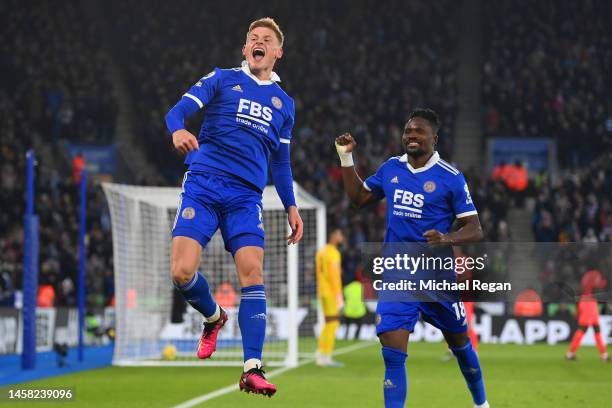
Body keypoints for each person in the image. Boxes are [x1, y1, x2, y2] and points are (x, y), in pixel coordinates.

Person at [164, 17, 303, 397]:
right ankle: (214, 317)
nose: (259, 43)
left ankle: (252, 367)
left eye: (267, 40)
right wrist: (178, 129)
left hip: (246, 197)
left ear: (278, 52)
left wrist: (291, 205)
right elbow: (177, 111)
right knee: (181, 272)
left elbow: (281, 162)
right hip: (204, 185)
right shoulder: (222, 79)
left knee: (253, 274)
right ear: (245, 49)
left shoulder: (284, 104)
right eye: (252, 38)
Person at [335, 108, 489, 408]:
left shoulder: (451, 177)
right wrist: (345, 157)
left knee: (460, 344)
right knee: (392, 349)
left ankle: (481, 403)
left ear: (435, 137)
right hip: (398, 275)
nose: (412, 136)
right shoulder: (392, 168)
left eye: (419, 131)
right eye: (408, 132)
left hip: (437, 277)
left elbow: (475, 229)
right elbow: (357, 199)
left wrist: (447, 238)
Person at [315, 228, 345, 367]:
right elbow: (334, 277)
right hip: (332, 293)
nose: (342, 237)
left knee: (328, 323)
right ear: (333, 236)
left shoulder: (321, 252)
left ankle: (321, 354)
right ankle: (326, 356)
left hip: (323, 292)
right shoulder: (333, 253)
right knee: (333, 324)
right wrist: (339, 296)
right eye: (339, 234)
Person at [566, 269, 609, 361]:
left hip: (588, 304)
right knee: (592, 331)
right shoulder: (594, 284)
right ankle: (603, 354)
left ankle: (571, 353)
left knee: (587, 330)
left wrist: (577, 310)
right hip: (590, 304)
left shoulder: (583, 286)